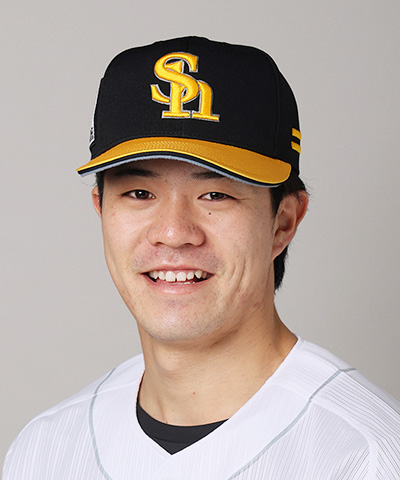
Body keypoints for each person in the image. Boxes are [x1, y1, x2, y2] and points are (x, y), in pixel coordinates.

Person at [3, 36, 400, 480]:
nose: (174, 233)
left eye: (215, 194)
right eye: (140, 193)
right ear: (101, 209)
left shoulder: (368, 457)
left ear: (283, 222)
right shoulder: (45, 450)